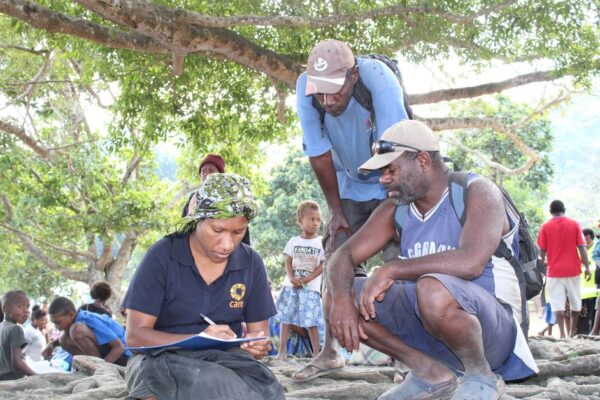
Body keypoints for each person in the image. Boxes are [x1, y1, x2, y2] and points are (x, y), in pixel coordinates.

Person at [325, 120, 537, 399]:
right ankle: (429, 373)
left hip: (495, 335)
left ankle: (480, 377)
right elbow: (343, 255)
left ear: (423, 160)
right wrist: (341, 297)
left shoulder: (477, 191)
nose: (383, 179)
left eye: (391, 169)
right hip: (434, 335)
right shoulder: (394, 210)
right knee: (338, 295)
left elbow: (471, 262)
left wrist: (393, 269)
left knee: (432, 288)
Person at [293, 38, 409, 381]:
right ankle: (330, 353)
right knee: (334, 261)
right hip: (347, 185)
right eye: (321, 93)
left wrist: (394, 208)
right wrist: (336, 209)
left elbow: (396, 150)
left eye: (336, 92)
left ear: (354, 76)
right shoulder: (305, 90)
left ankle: (408, 357)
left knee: (400, 264)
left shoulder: (379, 80)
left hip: (392, 181)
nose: (328, 102)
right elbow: (318, 154)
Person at [123, 173, 284, 400]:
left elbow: (260, 334)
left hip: (227, 359)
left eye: (238, 232)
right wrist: (197, 337)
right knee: (203, 381)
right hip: (160, 358)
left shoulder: (251, 263)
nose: (227, 244)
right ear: (197, 219)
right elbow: (135, 338)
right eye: (218, 230)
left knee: (269, 388)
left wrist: (257, 345)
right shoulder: (161, 256)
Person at [276, 200, 325, 360]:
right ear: (300, 220)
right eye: (311, 219)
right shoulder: (293, 241)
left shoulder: (321, 242)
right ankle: (281, 351)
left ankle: (317, 354)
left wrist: (307, 279)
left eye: (318, 220)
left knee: (311, 321)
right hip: (292, 286)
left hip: (310, 288)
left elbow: (323, 264)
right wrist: (291, 278)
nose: (315, 223)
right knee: (286, 317)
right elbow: (288, 261)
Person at [537, 200, 590, 338]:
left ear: (550, 211)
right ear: (564, 210)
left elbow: (541, 253)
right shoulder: (574, 225)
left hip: (554, 272)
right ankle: (572, 332)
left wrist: (541, 268)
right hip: (573, 270)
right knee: (575, 302)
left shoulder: (545, 227)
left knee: (556, 303)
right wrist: (588, 267)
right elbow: (582, 249)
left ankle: (562, 334)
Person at [182, 154, 251, 246]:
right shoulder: (193, 198)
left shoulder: (231, 198)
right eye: (203, 171)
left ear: (220, 175)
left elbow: (240, 227)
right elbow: (185, 224)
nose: (206, 174)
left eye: (211, 170)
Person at [43, 297, 130, 366]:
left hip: (123, 356)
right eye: (53, 322)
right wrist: (52, 344)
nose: (56, 326)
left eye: (58, 322)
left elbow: (119, 347)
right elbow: (62, 340)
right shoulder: (74, 323)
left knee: (76, 330)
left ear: (71, 315)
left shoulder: (88, 320)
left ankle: (97, 367)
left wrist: (101, 370)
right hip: (107, 355)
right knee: (63, 339)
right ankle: (91, 367)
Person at [0, 290, 36, 380]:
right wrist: (37, 377)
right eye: (20, 306)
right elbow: (17, 362)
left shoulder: (1, 326)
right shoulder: (15, 329)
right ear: (5, 309)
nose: (26, 311)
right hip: (12, 379)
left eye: (27, 307)